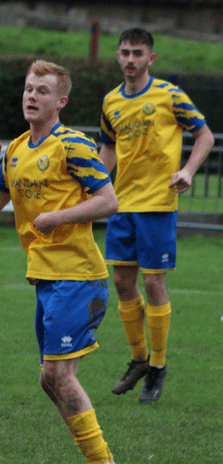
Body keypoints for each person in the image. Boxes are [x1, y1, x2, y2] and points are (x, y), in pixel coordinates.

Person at [0, 60, 118, 464]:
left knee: (58, 375)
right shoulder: (17, 149)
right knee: (49, 379)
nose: (32, 96)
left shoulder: (72, 145)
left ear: (61, 101)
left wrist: (57, 217)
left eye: (42, 91)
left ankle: (102, 460)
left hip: (79, 277)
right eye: (28, 89)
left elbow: (109, 201)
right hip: (46, 280)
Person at [99, 28, 215, 402]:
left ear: (151, 59)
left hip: (158, 204)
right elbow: (108, 149)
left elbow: (205, 135)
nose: (130, 59)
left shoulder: (169, 95)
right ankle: (138, 358)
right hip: (122, 204)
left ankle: (159, 367)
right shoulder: (111, 102)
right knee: (121, 282)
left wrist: (188, 171)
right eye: (124, 52)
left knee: (153, 284)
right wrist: (99, 188)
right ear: (117, 57)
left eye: (137, 53)